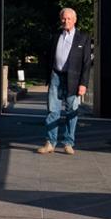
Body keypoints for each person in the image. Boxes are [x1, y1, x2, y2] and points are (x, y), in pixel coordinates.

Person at [37, 8, 92, 155]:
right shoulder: (55, 35)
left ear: (74, 20)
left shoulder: (83, 38)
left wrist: (83, 84)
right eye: (63, 18)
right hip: (56, 76)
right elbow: (48, 56)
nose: (66, 21)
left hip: (73, 79)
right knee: (52, 111)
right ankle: (50, 143)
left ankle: (68, 143)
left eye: (69, 19)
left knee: (71, 111)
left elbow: (87, 63)